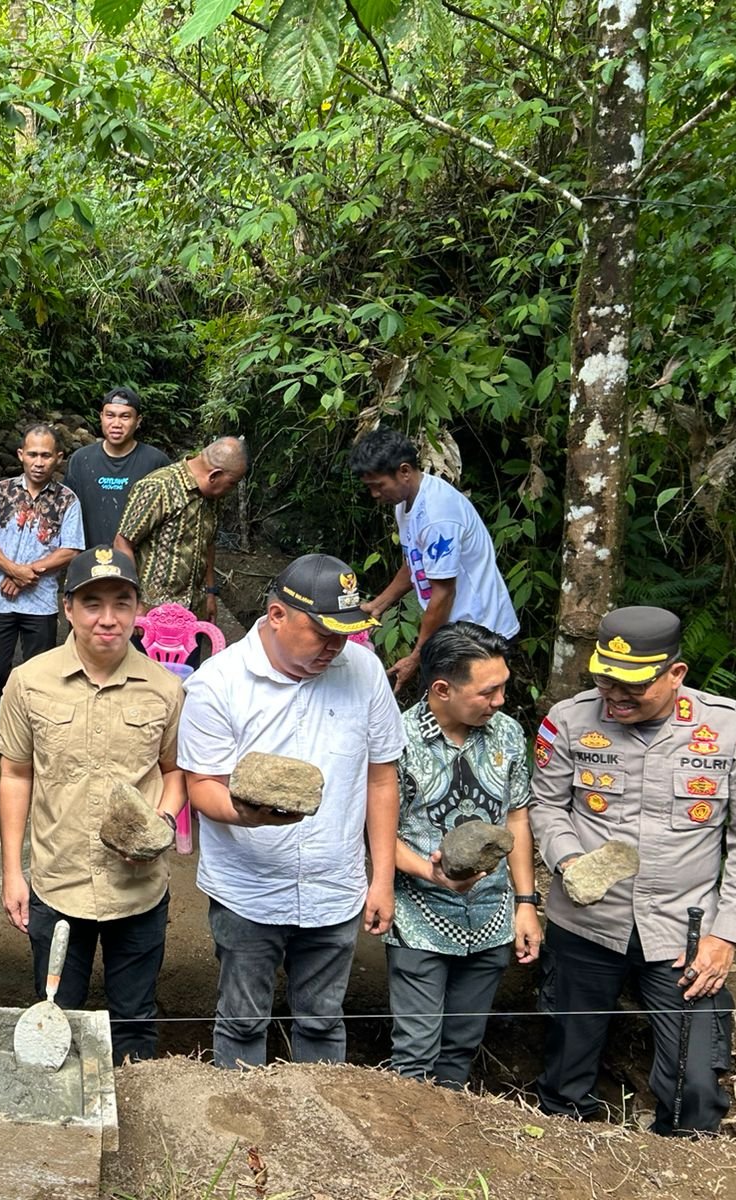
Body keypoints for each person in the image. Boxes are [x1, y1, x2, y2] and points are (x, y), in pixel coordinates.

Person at [531, 606, 736, 1135]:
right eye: (605, 679)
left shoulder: (730, 729)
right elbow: (546, 805)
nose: (614, 696)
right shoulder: (570, 719)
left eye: (633, 687)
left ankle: (680, 1151)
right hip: (587, 925)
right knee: (566, 1068)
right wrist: (570, 860)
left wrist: (726, 935)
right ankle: (564, 1152)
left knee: (694, 1085)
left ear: (676, 674)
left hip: (683, 932)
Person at [177, 554, 404, 1069]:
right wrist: (248, 813)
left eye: (345, 633)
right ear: (277, 615)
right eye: (322, 632)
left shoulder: (363, 670)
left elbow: (381, 778)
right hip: (248, 889)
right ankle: (238, 1142)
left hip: (335, 886)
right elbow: (203, 786)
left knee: (324, 1018)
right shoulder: (219, 682)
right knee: (241, 1017)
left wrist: (382, 877)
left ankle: (315, 1133)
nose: (335, 645)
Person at [0, 546, 186, 1064]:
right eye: (92, 603)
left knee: (135, 1018)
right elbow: (15, 776)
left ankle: (140, 1122)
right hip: (59, 883)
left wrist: (160, 826)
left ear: (137, 609)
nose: (108, 618)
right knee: (56, 1015)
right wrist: (14, 872)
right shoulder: (29, 681)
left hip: (138, 890)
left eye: (121, 603)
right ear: (68, 610)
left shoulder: (166, 688)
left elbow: (174, 775)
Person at [386, 621, 541, 1088]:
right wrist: (433, 876)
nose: (500, 702)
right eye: (487, 692)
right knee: (416, 1048)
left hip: (493, 918)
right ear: (441, 689)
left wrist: (526, 904)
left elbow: (516, 817)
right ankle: (405, 1143)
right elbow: (376, 833)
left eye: (502, 689)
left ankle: (447, 1145)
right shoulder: (397, 740)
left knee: (462, 1043)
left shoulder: (507, 734)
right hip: (419, 918)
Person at [349, 429, 520, 691]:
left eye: (378, 485)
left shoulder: (437, 515)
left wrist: (417, 656)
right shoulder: (405, 502)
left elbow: (443, 593)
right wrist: (378, 604)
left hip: (482, 633)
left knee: (462, 715)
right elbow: (414, 562)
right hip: (453, 631)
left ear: (404, 471)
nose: (374, 494)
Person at [0, 422, 85, 721]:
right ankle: (2, 723)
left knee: (41, 676)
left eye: (46, 455)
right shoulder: (0, 492)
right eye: (33, 454)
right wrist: (13, 570)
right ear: (21, 455)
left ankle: (34, 731)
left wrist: (26, 573)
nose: (39, 462)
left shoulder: (67, 500)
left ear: (58, 457)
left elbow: (71, 550)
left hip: (40, 603)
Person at [114, 435, 249, 624]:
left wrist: (210, 593)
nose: (231, 490)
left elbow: (208, 544)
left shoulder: (212, 497)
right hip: (151, 615)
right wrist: (134, 602)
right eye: (232, 483)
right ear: (214, 475)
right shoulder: (158, 486)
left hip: (194, 613)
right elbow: (122, 543)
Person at [62, 386, 172, 547]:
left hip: (138, 563)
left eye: (125, 417)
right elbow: (67, 513)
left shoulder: (155, 462)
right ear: (101, 417)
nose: (116, 423)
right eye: (110, 415)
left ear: (138, 421)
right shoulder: (81, 459)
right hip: (89, 562)